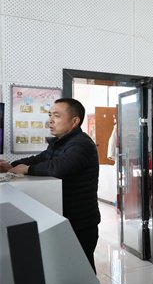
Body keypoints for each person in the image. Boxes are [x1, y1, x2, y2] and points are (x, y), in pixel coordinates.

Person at [0, 98, 101, 273]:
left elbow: (58, 167)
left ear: (75, 121)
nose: (51, 120)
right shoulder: (60, 143)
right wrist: (11, 166)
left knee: (82, 273)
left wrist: (27, 169)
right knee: (65, 272)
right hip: (64, 218)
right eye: (50, 115)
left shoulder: (81, 144)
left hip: (80, 223)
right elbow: (38, 159)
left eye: (57, 115)